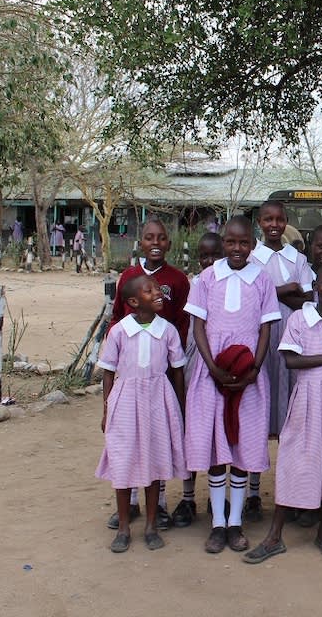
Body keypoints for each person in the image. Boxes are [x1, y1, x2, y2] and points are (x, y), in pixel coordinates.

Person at [243, 264, 322, 564]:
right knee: (295, 461)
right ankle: (274, 536)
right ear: (315, 285)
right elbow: (290, 361)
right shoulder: (301, 318)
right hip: (308, 398)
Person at [182, 218, 280, 554]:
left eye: (243, 243)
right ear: (223, 243)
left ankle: (236, 521)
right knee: (216, 447)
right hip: (212, 374)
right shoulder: (207, 279)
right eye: (230, 243)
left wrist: (255, 368)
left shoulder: (262, 279)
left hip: (248, 373)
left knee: (242, 446)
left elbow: (266, 329)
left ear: (252, 245)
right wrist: (211, 367)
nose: (237, 249)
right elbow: (198, 327)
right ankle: (218, 524)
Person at [108, 219, 191, 530]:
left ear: (169, 243)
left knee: (158, 437)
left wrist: (174, 359)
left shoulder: (178, 280)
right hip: (132, 374)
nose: (155, 242)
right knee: (129, 437)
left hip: (163, 369)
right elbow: (117, 316)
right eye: (148, 237)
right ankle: (128, 505)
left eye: (161, 237)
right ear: (139, 241)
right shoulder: (128, 277)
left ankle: (161, 505)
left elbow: (183, 323)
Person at [96, 274, 188, 553]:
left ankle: (151, 525)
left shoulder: (168, 330)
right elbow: (108, 372)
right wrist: (107, 408)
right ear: (134, 302)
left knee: (155, 463)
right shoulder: (119, 331)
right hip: (125, 401)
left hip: (158, 400)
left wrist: (180, 407)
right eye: (149, 290)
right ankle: (124, 526)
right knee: (123, 462)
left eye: (158, 288)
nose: (158, 292)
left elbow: (178, 370)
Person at [248, 201, 314, 520]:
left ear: (286, 222)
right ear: (260, 222)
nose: (274, 225)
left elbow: (308, 299)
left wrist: (275, 292)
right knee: (258, 412)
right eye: (268, 220)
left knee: (291, 418)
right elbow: (252, 298)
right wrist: (286, 289)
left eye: (279, 219)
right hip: (259, 336)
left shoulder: (297, 258)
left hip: (292, 337)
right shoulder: (250, 257)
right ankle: (252, 492)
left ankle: (295, 494)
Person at [171, 231, 223, 529]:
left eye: (215, 256)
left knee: (222, 435)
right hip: (195, 367)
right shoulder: (196, 285)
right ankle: (188, 497)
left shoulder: (232, 284)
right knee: (192, 433)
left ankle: (221, 497)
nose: (209, 261)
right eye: (204, 256)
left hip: (223, 368)